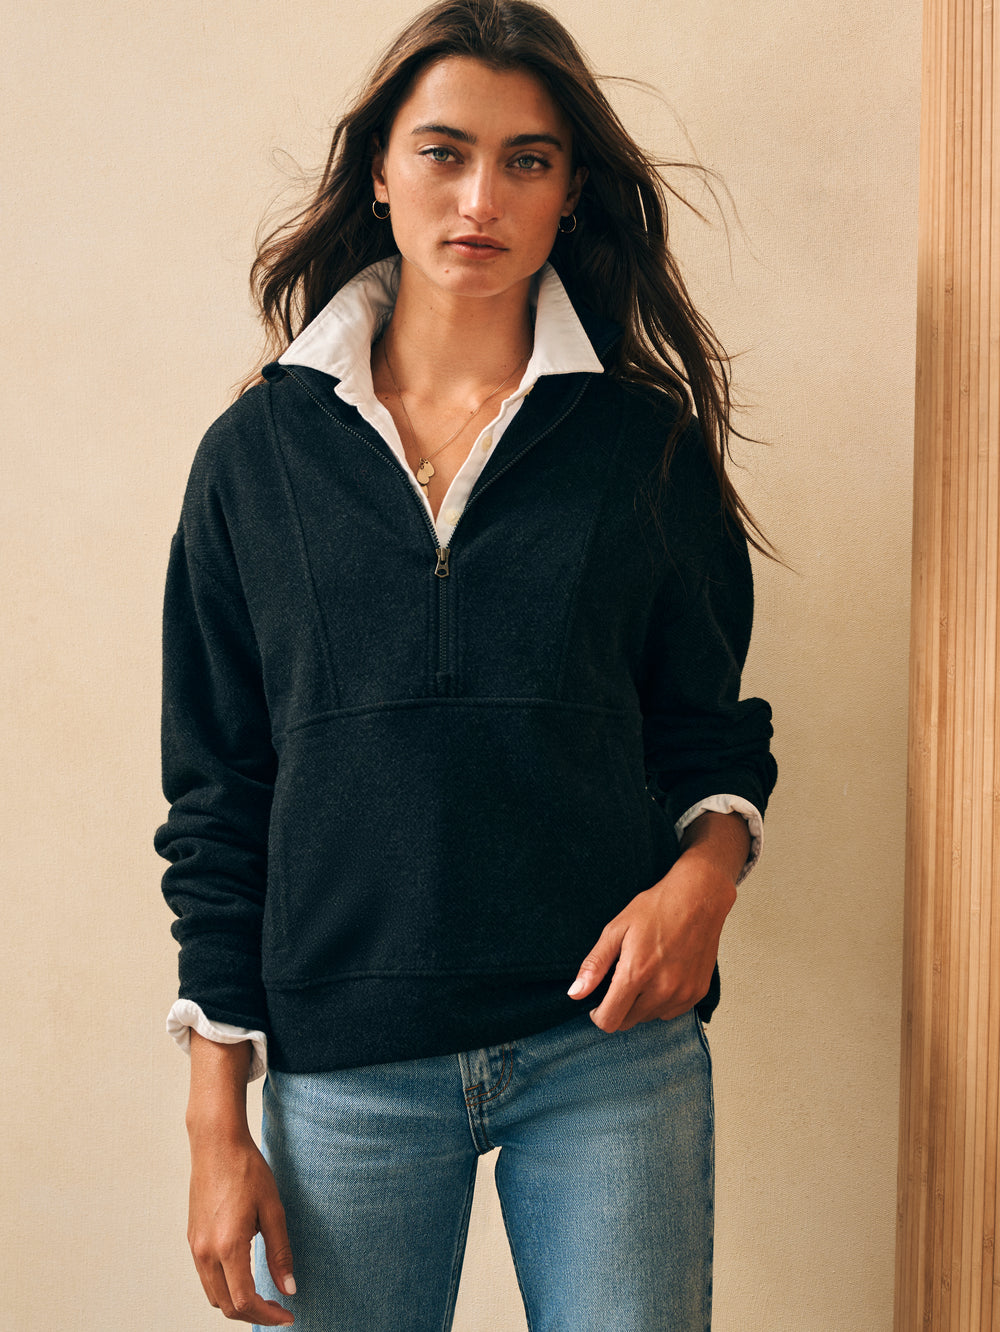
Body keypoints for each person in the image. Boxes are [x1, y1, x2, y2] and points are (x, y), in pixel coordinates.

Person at [156, 1, 777, 1327]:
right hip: (346, 1068)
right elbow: (219, 795)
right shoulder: (256, 460)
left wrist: (706, 881)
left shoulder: (644, 450)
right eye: (443, 152)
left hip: (606, 1053)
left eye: (527, 161)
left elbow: (709, 738)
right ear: (380, 172)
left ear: (571, 194)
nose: (481, 197)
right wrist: (217, 1119)